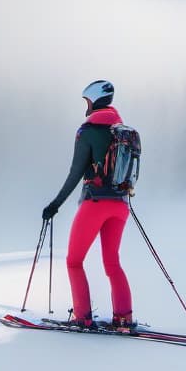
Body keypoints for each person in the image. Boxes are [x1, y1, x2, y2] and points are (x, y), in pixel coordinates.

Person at [42, 80, 134, 331]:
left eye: (86, 101)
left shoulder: (87, 131)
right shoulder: (121, 131)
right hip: (121, 206)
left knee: (74, 261)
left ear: (93, 100)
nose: (85, 106)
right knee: (112, 263)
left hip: (95, 203)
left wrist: (55, 204)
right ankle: (123, 318)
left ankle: (82, 317)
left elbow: (75, 173)